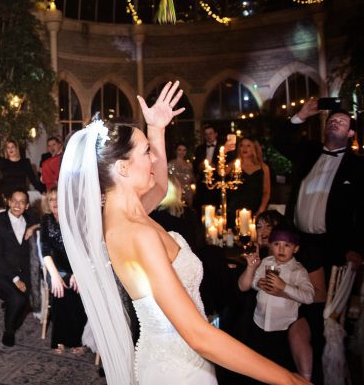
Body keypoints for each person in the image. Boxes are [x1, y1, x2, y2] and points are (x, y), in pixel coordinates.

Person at [57, 81, 307, 384]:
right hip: (177, 367)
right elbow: (198, 335)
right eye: (147, 152)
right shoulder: (135, 233)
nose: (155, 160)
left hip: (180, 357)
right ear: (122, 168)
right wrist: (288, 380)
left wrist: (156, 129)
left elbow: (161, 185)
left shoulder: (128, 215)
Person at [278, 99, 364, 383]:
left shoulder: (358, 166)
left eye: (341, 121)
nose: (334, 122)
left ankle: (329, 369)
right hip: (298, 243)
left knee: (325, 313)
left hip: (332, 248)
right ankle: (296, 366)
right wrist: (300, 115)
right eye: (331, 120)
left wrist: (357, 249)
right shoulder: (309, 152)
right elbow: (279, 141)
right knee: (294, 302)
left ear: (351, 133)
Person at [239, 225, 314, 378]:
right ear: (271, 245)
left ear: (296, 248)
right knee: (258, 372)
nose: (281, 249)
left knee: (280, 373)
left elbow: (309, 297)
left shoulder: (298, 271)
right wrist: (253, 273)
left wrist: (284, 286)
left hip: (282, 331)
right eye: (276, 244)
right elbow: (244, 286)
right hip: (258, 326)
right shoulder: (266, 262)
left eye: (287, 245)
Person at [0, 189, 39, 347]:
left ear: (27, 205)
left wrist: (34, 227)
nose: (17, 205)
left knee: (30, 299)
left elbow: (48, 219)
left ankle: (11, 308)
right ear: (9, 202)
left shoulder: (30, 218)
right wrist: (15, 280)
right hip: (1, 274)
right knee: (18, 298)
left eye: (22, 201)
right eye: (14, 201)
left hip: (24, 272)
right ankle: (9, 331)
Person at [40, 187, 87, 354]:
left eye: (58, 199)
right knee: (59, 288)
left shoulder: (75, 220)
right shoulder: (46, 220)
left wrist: (78, 274)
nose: (55, 203)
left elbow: (84, 250)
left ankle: (78, 340)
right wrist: (55, 275)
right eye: (51, 199)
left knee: (75, 288)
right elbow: (45, 251)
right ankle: (58, 338)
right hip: (54, 268)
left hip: (77, 269)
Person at [150, 173, 206, 252]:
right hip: (188, 259)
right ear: (177, 189)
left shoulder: (151, 216)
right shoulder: (190, 214)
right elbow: (200, 243)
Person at [0, 139, 44, 206]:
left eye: (12, 147)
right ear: (6, 150)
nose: (10, 149)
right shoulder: (2, 161)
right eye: (8, 147)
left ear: (16, 148)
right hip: (3, 196)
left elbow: (33, 180)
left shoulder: (25, 162)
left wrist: (43, 191)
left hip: (19, 197)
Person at [226, 137, 271, 227]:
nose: (244, 148)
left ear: (254, 148)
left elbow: (266, 191)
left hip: (255, 208)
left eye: (248, 146)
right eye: (242, 145)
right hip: (235, 208)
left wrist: (261, 210)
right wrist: (224, 151)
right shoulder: (234, 165)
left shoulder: (263, 167)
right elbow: (220, 173)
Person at [168, 142, 194, 207]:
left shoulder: (189, 165)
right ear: (176, 151)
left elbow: (192, 179)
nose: (182, 152)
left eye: (184, 150)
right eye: (179, 150)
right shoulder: (170, 164)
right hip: (175, 192)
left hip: (188, 192)